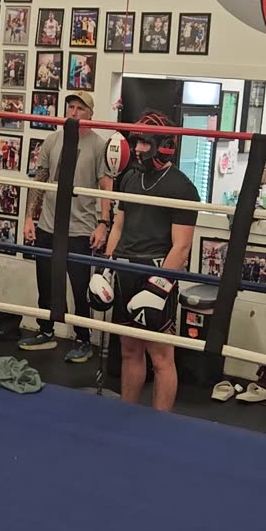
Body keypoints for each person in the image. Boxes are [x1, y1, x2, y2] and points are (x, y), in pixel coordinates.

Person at [100, 110, 200, 411]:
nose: (139, 149)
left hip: (156, 271)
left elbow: (182, 247)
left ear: (162, 145)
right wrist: (107, 266)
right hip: (125, 268)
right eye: (137, 143)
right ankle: (127, 416)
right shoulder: (130, 178)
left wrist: (159, 287)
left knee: (161, 356)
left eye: (145, 143)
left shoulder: (182, 187)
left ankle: (160, 426)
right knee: (129, 349)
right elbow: (118, 226)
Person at [20, 92, 116, 363]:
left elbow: (105, 186)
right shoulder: (52, 140)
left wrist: (103, 223)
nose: (74, 113)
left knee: (80, 288)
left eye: (80, 108)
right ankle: (46, 330)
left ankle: (83, 339)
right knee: (46, 281)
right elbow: (40, 179)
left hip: (81, 228)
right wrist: (30, 218)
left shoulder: (99, 145)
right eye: (71, 107)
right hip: (49, 224)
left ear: (90, 114)